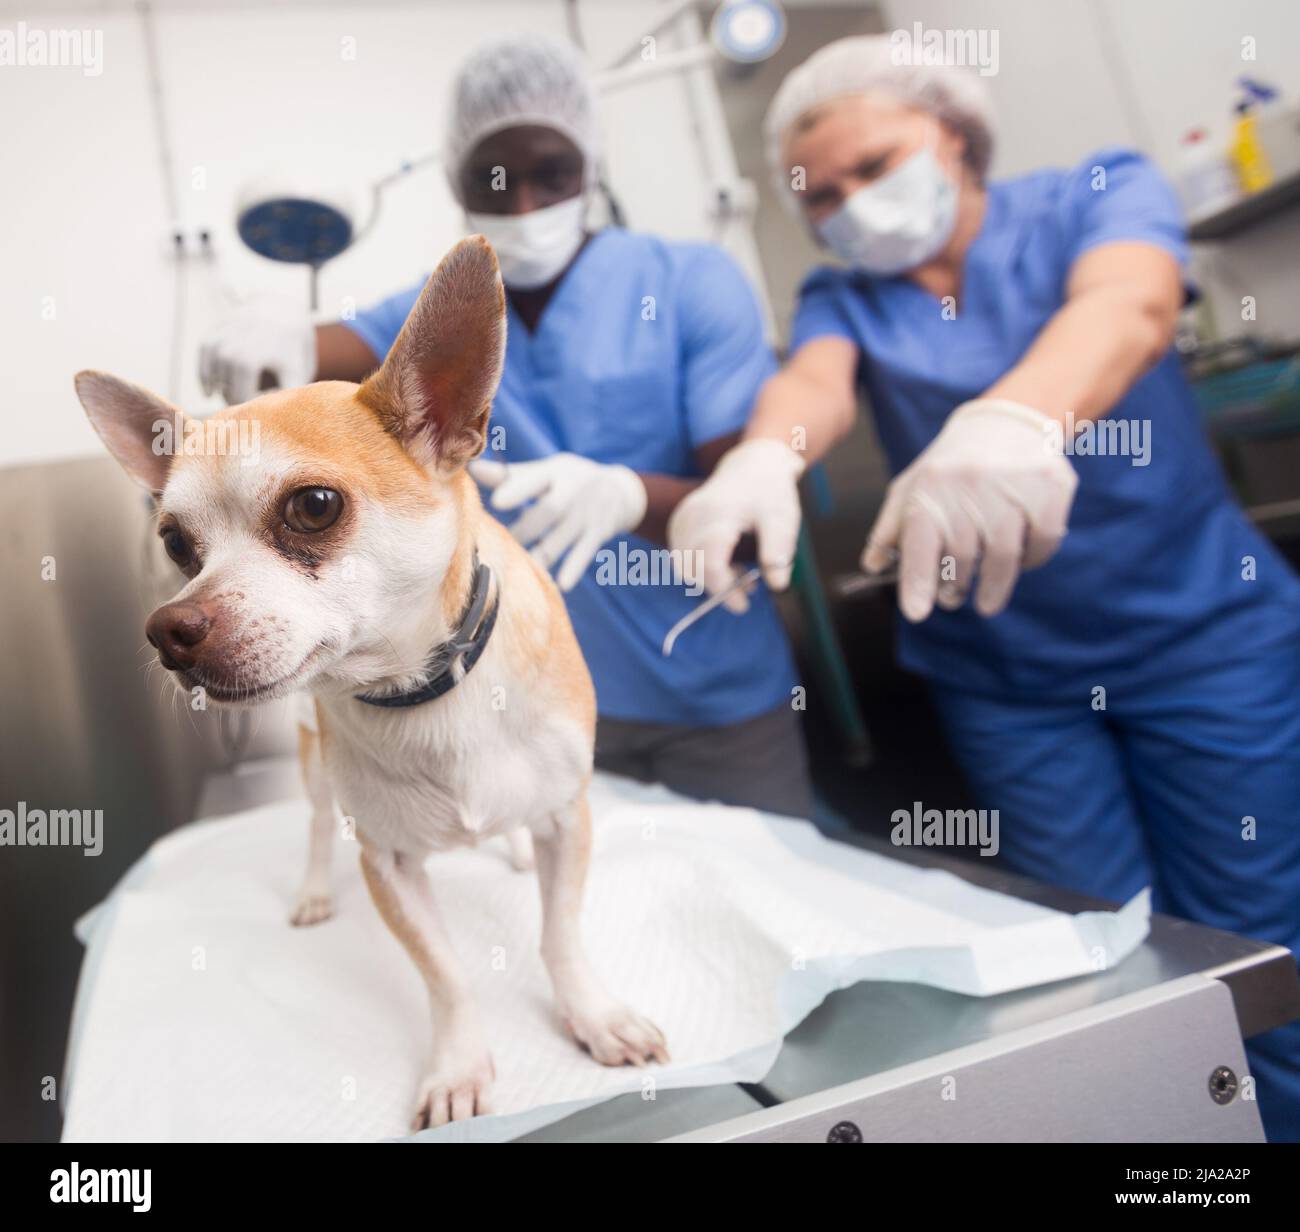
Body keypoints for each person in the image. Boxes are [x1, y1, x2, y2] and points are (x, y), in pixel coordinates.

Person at [669, 35, 1300, 1139]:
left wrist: (1012, 416)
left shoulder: (1092, 192)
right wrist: (764, 456)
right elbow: (814, 382)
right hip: (1008, 680)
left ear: (951, 133)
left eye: (874, 165)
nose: (850, 206)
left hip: (1203, 643)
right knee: (1102, 951)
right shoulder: (841, 295)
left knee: (1254, 931)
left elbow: (1128, 306)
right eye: (820, 194)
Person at [199, 34, 810, 818]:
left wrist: (629, 496)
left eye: (552, 173)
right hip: (531, 697)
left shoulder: (689, 284)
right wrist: (276, 331)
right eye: (495, 179)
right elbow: (322, 356)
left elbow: (754, 517)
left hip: (717, 705)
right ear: (456, 180)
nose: (524, 205)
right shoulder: (439, 319)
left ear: (591, 165)